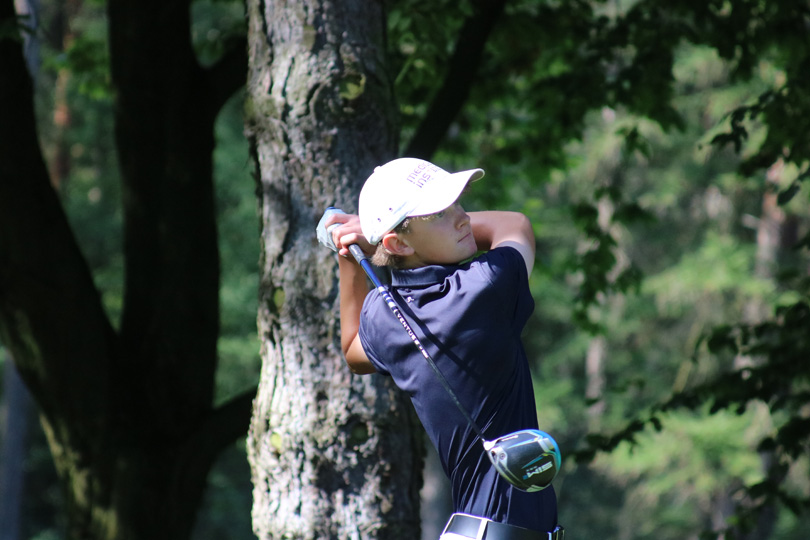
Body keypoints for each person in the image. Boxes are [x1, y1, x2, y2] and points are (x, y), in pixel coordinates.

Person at [326, 158, 561, 540]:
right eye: (439, 214)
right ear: (398, 243)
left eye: (457, 204)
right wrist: (367, 234)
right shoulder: (483, 288)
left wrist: (349, 256)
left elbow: (353, 349)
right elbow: (513, 224)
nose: (463, 218)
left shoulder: (386, 317)